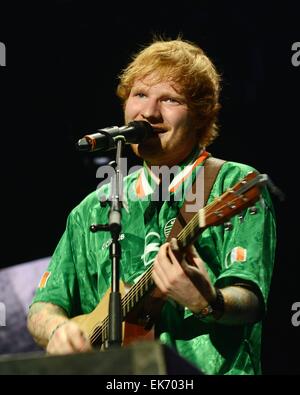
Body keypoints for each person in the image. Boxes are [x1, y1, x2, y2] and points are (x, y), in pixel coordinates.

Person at [27, 37, 276, 375]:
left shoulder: (230, 182)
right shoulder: (91, 210)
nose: (148, 112)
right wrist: (58, 330)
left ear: (201, 116)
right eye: (140, 95)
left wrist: (209, 302)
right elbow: (43, 305)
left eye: (170, 99)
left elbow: (251, 300)